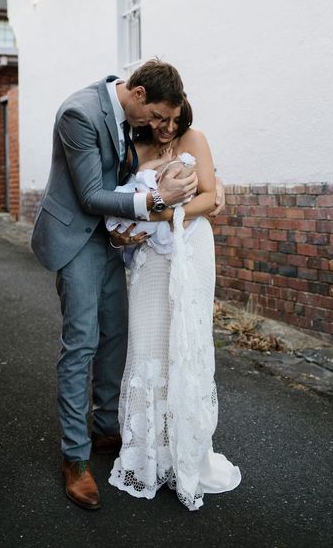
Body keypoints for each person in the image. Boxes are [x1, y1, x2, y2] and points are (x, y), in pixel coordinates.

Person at [31, 59, 200, 510]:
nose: (162, 126)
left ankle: (106, 427)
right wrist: (160, 200)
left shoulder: (132, 117)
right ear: (139, 93)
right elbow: (89, 196)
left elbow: (129, 173)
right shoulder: (79, 113)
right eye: (159, 116)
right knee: (82, 342)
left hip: (112, 238)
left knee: (116, 336)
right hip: (76, 237)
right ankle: (75, 457)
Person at [108, 96, 241, 510]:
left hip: (190, 248)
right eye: (160, 120)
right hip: (149, 257)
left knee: (187, 340)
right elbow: (122, 204)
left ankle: (186, 451)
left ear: (184, 115)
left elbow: (209, 198)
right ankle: (150, 453)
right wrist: (130, 228)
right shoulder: (134, 148)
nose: (167, 128)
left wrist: (162, 211)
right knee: (148, 344)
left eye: (174, 120)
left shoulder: (195, 139)